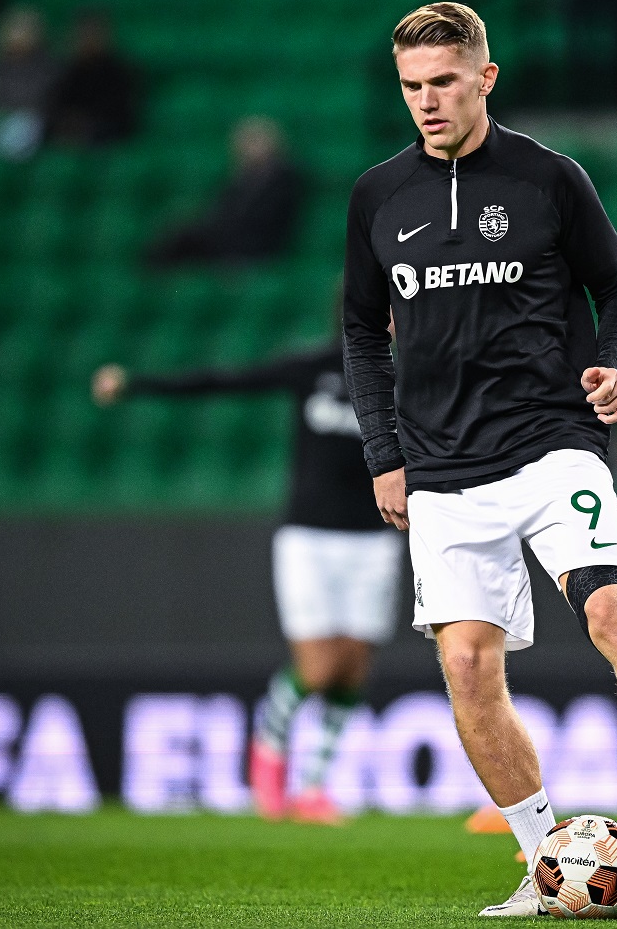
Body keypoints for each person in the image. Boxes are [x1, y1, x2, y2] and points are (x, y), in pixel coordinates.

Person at [342, 2, 617, 917]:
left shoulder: (550, 179)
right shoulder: (377, 196)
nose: (427, 101)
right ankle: (543, 861)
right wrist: (384, 453)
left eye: (444, 81)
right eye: (411, 86)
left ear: (486, 77)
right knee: (469, 672)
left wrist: (610, 364)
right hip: (441, 471)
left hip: (551, 445)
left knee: (609, 607)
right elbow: (364, 333)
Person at [92, 337, 397, 825]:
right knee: (317, 669)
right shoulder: (313, 368)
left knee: (353, 670)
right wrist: (137, 384)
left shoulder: (403, 380)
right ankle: (269, 748)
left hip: (374, 539)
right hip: (310, 537)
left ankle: (314, 788)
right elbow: (227, 379)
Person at [143, 117, 306, 266]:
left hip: (255, 246)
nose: (246, 149)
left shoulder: (284, 181)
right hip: (227, 238)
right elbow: (219, 209)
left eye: (253, 142)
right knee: (179, 232)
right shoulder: (239, 178)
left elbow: (267, 221)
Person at [48, 11, 141, 146]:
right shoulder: (68, 72)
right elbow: (57, 104)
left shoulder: (120, 72)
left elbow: (122, 112)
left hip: (106, 130)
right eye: (85, 35)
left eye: (93, 34)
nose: (89, 40)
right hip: (72, 130)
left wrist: (88, 121)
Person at [0, 5, 59, 160]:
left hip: (35, 120)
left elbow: (42, 98)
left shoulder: (45, 65)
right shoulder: (0, 66)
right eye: (14, 32)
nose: (17, 38)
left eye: (22, 32)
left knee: (23, 125)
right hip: (2, 117)